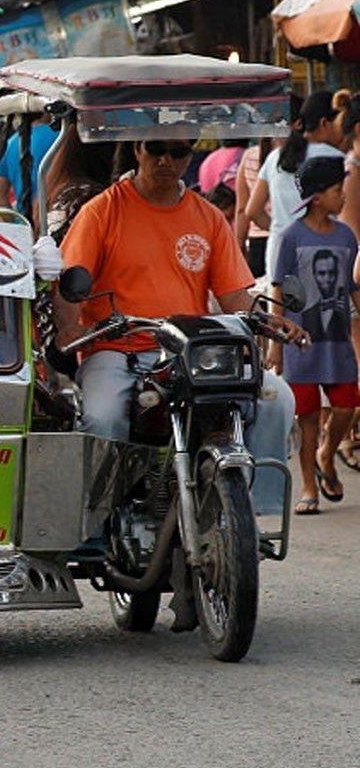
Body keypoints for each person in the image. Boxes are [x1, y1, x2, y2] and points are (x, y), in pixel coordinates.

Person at [52, 139, 301, 629]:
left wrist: (270, 320)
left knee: (275, 398)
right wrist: (68, 331)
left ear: (191, 157)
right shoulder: (103, 211)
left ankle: (246, 516)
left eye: (179, 151)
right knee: (103, 415)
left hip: (187, 348)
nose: (167, 160)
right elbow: (67, 285)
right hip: (118, 346)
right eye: (157, 150)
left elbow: (233, 295)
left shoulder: (206, 217)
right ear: (137, 151)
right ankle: (98, 520)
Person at [270, 156, 358, 514]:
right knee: (306, 419)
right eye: (338, 190)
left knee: (346, 406)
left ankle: (327, 453)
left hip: (338, 343)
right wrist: (276, 346)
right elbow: (278, 291)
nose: (344, 197)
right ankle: (309, 487)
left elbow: (351, 286)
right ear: (318, 197)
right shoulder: (291, 237)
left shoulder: (346, 236)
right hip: (300, 346)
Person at [238, 91, 344, 286]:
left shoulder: (275, 157)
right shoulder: (336, 158)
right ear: (325, 123)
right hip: (324, 255)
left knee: (281, 305)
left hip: (279, 253)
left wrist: (282, 229)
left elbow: (252, 211)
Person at [0, 119, 60, 217]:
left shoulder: (11, 143)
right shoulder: (62, 136)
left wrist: (18, 223)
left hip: (28, 221)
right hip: (58, 220)